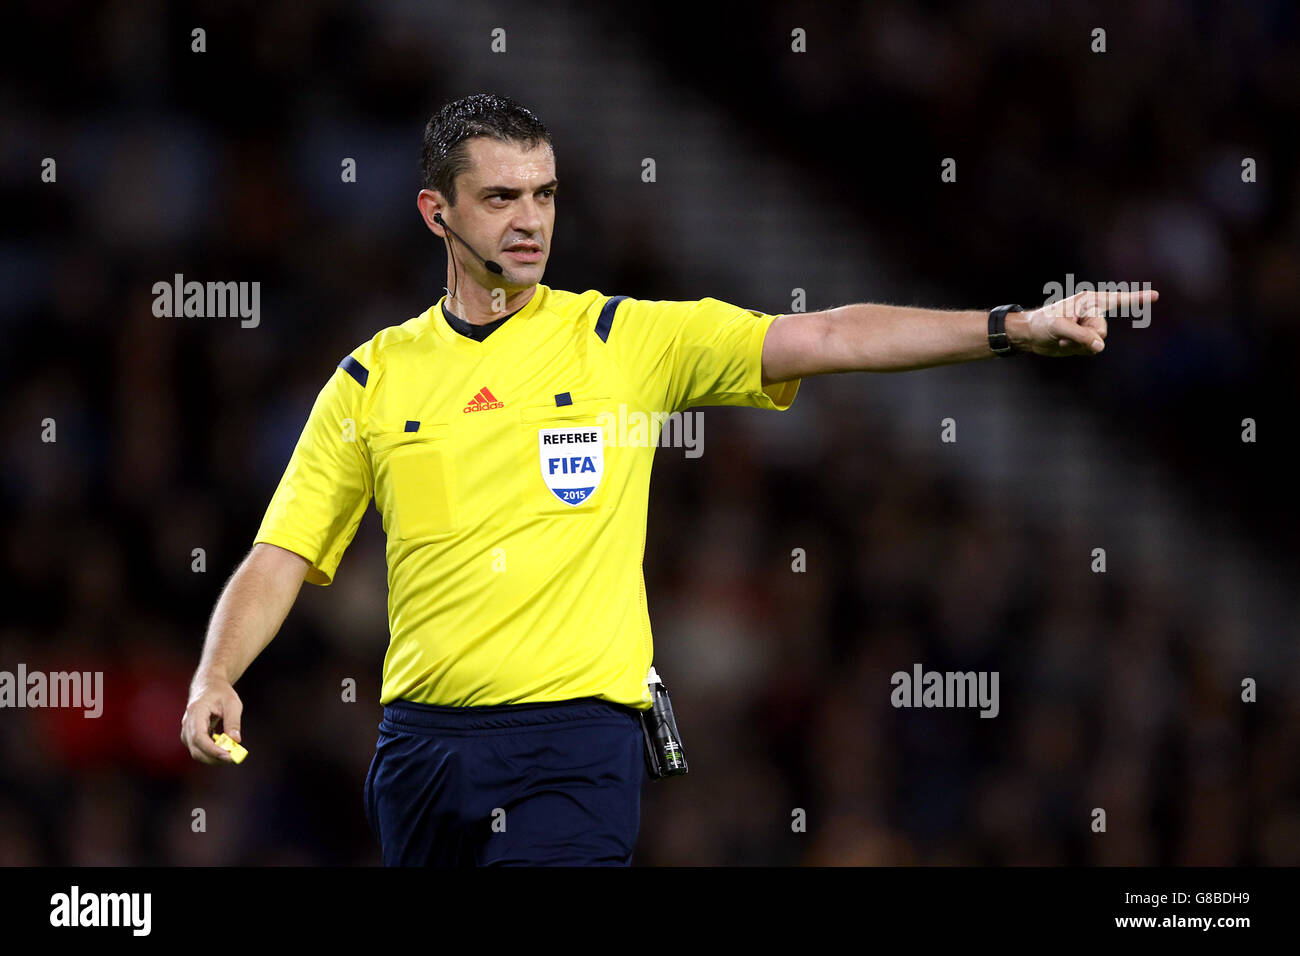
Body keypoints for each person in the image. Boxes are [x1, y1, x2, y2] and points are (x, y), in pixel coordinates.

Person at [180, 92, 1157, 866]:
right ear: (437, 211)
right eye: (501, 198)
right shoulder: (370, 377)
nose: (530, 221)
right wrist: (217, 674)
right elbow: (281, 553)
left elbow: (825, 333)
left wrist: (1009, 325)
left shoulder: (622, 337)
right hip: (422, 752)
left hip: (576, 743)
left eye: (546, 195)